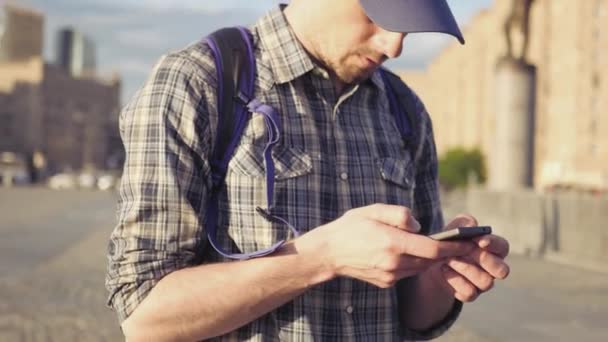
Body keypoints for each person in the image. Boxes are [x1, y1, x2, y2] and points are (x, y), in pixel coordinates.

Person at [106, 0, 511, 341]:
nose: (394, 45)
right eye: (379, 16)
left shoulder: (405, 111)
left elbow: (413, 317)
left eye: (410, 27)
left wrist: (439, 276)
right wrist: (323, 258)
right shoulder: (196, 83)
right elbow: (145, 315)